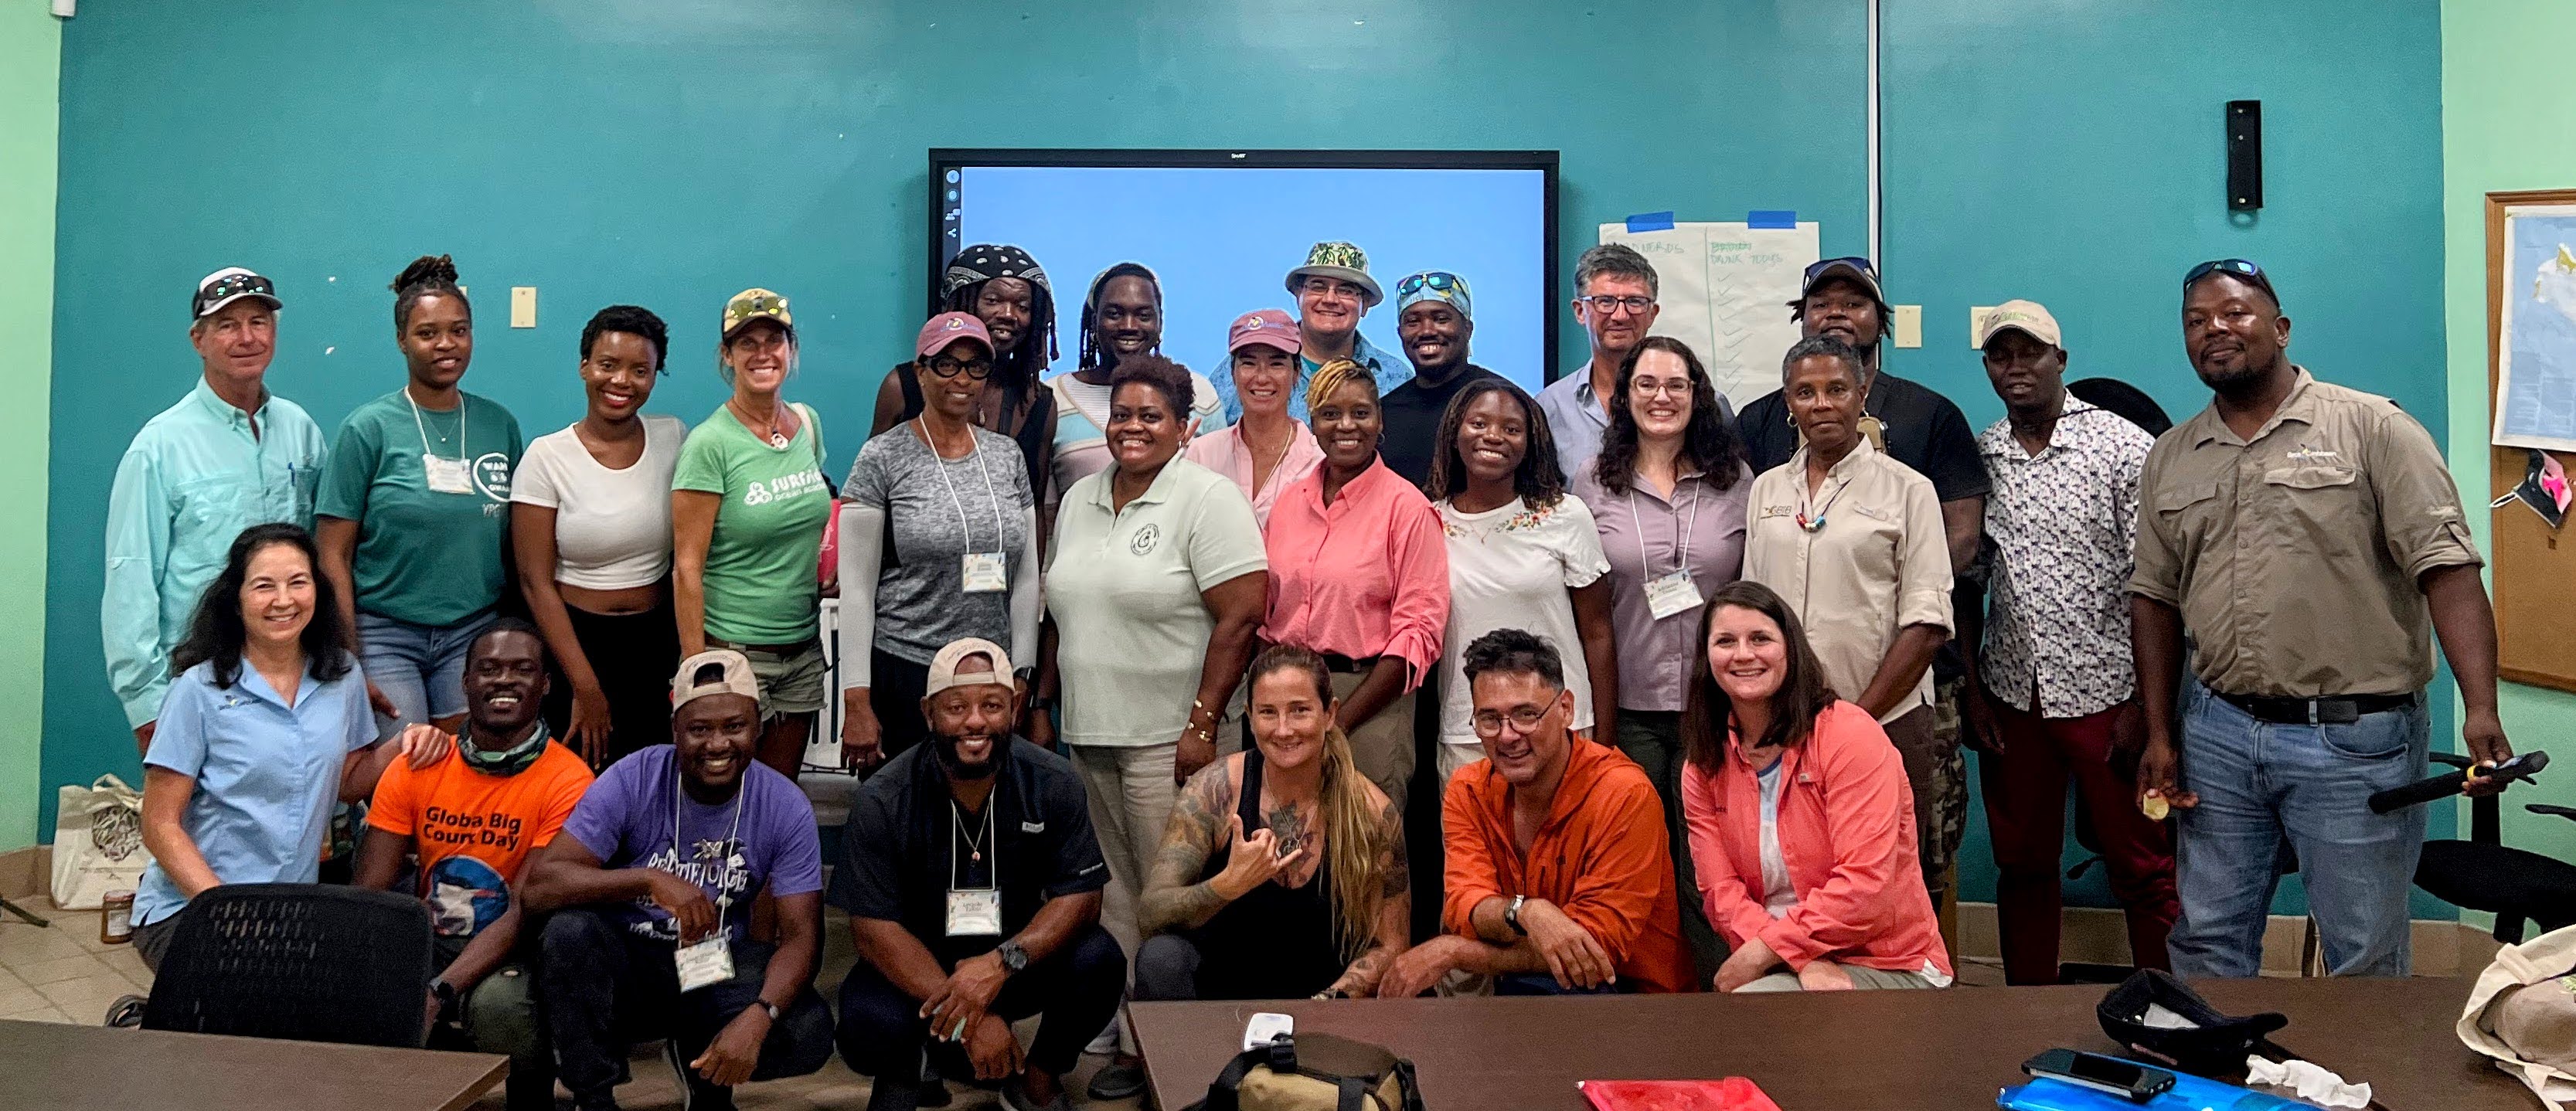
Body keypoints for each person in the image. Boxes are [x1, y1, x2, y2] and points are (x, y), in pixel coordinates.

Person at [2132, 260, 2507, 978]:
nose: (2214, 329)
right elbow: (2153, 597)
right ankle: (2219, 1055)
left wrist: (2480, 707)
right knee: (2207, 939)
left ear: (2280, 329)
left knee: (2361, 953)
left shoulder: (2373, 429)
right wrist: (2159, 731)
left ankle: (2361, 1061)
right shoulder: (2173, 456)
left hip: (2352, 739)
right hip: (2217, 735)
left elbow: (2447, 571)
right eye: (2195, 321)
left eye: (2234, 313)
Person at [1735, 257, 1986, 907]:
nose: (1821, 404)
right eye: (1805, 393)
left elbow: (1927, 617)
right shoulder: (1766, 489)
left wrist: (1855, 718)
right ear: (1788, 402)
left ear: (1860, 396)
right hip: (1786, 718)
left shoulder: (1909, 485)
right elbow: (1753, 611)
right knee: (1797, 873)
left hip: (1886, 712)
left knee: (1896, 879)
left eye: (1836, 391)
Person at [1965, 301, 2176, 986]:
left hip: (2108, 693)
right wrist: (1974, 693)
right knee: (2022, 864)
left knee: (2141, 867)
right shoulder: (1983, 454)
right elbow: (1967, 581)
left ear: (2060, 359)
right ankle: (2026, 1006)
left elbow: (2158, 585)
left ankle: (2167, 1007)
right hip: (2013, 694)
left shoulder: (2121, 447)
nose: (2015, 367)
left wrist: (2147, 708)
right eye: (2000, 355)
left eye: (2030, 352)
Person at [129, 524, 451, 970]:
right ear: (236, 599)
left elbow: (345, 784)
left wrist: (405, 744)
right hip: (193, 906)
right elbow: (159, 825)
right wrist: (225, 911)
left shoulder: (342, 676)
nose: (284, 600)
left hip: (290, 909)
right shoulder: (197, 690)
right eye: (264, 586)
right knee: (255, 997)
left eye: (298, 582)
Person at [526, 649, 835, 1111]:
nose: (717, 744)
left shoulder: (784, 804)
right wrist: (648, 879)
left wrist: (760, 1016)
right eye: (700, 729)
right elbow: (540, 887)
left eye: (734, 726)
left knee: (806, 1030)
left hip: (715, 964)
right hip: (629, 962)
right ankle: (593, 1097)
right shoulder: (634, 777)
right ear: (675, 730)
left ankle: (704, 1076)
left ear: (758, 727)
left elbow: (801, 938)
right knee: (568, 934)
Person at [832, 638, 1123, 1111]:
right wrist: (971, 1017)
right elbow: (872, 930)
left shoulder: (1053, 781)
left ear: (1014, 709)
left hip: (1014, 963)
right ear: (928, 713)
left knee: (1099, 960)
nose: (975, 722)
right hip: (918, 968)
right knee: (868, 1019)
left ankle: (1037, 1079)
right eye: (956, 707)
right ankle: (910, 1072)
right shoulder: (884, 797)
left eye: (992, 705)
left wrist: (1000, 964)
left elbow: (1082, 897)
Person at [1569, 335, 1752, 981]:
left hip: (1716, 708)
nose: (1661, 397)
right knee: (1635, 865)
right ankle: (1645, 997)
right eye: (1645, 384)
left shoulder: (1735, 481)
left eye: (1676, 385)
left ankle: (1716, 994)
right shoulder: (1591, 483)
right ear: (1624, 397)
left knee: (1710, 866)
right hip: (1628, 707)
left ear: (1697, 396)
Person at [355, 618, 595, 1111]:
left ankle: (530, 1101)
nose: (504, 680)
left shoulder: (568, 779)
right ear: (465, 683)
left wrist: (438, 991)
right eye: (489, 669)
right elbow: (369, 893)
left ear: (545, 685)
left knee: (499, 1008)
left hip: (514, 944)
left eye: (522, 669)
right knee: (366, 990)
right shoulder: (418, 764)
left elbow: (524, 908)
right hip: (428, 935)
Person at [1379, 629, 1690, 997]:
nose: (1507, 736)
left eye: (1526, 715)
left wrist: (1455, 952)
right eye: (1489, 719)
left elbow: (1595, 948)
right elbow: (1465, 906)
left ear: (1566, 709)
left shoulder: (1624, 794)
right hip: (1526, 988)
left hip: (1630, 995)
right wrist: (1528, 913)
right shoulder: (1468, 789)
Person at [1682, 581, 1955, 992]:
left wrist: (1767, 952)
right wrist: (1796, 958)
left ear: (1791, 650)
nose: (1743, 654)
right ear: (1707, 659)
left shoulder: (1850, 735)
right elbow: (1722, 893)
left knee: (1750, 1006)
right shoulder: (1702, 765)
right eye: (1725, 641)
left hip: (1888, 961)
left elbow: (1865, 887)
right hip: (1784, 964)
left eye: (1760, 639)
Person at [106, 267, 327, 759]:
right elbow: (131, 575)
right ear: (198, 340)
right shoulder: (159, 447)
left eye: (259, 322)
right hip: (199, 680)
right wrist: (146, 704)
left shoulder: (302, 432)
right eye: (228, 325)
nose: (247, 338)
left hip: (292, 675)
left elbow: (321, 553)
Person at [318, 254, 526, 733]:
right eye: (427, 333)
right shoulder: (368, 429)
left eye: (459, 331)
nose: (446, 345)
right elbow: (332, 552)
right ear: (402, 340)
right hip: (384, 633)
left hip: (473, 631)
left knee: (465, 765)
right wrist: (349, 656)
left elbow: (516, 543)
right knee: (405, 765)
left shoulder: (499, 425)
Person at [1136, 644, 1411, 1000]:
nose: (1283, 730)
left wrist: (1330, 1002)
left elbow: (1391, 945)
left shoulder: (1374, 811)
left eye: (1299, 711)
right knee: (1161, 958)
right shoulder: (1215, 790)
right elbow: (1152, 913)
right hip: (1223, 998)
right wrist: (1227, 885)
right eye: (1268, 712)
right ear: (1250, 718)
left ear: (1329, 714)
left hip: (1324, 1000)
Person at [840, 313, 1043, 773]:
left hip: (990, 674)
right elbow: (856, 589)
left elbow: (1026, 575)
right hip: (907, 667)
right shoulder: (882, 456)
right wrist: (856, 700)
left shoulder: (1007, 455)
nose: (962, 379)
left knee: (983, 806)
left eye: (976, 366)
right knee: (903, 807)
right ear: (920, 372)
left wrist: (1022, 671)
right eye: (947, 365)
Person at [1261, 359, 1450, 817]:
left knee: (1365, 849)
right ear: (1312, 422)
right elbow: (1269, 610)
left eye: (1361, 413)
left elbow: (1418, 634)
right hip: (1289, 700)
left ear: (1380, 421)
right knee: (1291, 845)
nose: (1346, 425)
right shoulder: (1289, 503)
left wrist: (1337, 723)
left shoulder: (1407, 508)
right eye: (1330, 413)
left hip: (1369, 699)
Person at [512, 306, 685, 767]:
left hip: (655, 643)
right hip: (576, 642)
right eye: (608, 365)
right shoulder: (546, 457)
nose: (622, 381)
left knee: (652, 779)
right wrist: (586, 687)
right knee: (581, 779)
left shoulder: (674, 438)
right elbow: (534, 582)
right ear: (585, 366)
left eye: (640, 370)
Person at [672, 287, 833, 779]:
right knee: (723, 796)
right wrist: (696, 671)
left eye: (774, 341)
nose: (763, 354)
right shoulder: (710, 444)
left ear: (791, 349)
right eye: (747, 343)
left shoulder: (806, 424)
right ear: (727, 355)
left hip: (802, 650)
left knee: (778, 796)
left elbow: (808, 516)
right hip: (734, 652)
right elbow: (686, 568)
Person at [1423, 378, 1613, 780]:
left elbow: (1597, 632)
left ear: (1530, 443)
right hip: (1470, 730)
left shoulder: (1564, 515)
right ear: (1455, 432)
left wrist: (1607, 745)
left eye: (1511, 429)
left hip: (1560, 727)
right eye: (1479, 424)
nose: (1493, 436)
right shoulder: (1428, 521)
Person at [873, 244, 1060, 498]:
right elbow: (869, 491)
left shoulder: (1038, 402)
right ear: (960, 304)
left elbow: (1035, 506)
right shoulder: (905, 386)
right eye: (993, 301)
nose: (1009, 315)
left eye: (1023, 306)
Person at [1538, 245, 1734, 478]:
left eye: (1635, 301)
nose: (1620, 316)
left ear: (1653, 313)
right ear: (1580, 311)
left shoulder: (1704, 404)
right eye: (1605, 301)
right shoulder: (1550, 408)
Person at [1046, 263, 1227, 508]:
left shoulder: (1199, 394)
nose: (1129, 326)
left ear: (1160, 322)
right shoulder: (1053, 398)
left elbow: (1221, 493)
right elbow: (1045, 510)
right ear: (1094, 320)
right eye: (1114, 314)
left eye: (1143, 316)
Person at [1213, 242, 1412, 423]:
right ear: (1298, 295)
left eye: (1346, 290)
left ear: (1365, 305)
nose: (1330, 299)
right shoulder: (1243, 370)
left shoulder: (1396, 377)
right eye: (1318, 287)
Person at [1184, 309, 1322, 528]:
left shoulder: (1318, 460)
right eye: (1248, 363)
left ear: (1296, 373)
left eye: (1276, 364)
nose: (1262, 377)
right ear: (1232, 373)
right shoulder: (1201, 454)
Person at [1378, 271, 1506, 485]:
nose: (1427, 331)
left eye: (1441, 319)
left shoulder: (1505, 405)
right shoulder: (1383, 414)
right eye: (1413, 322)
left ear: (1468, 329)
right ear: (1400, 333)